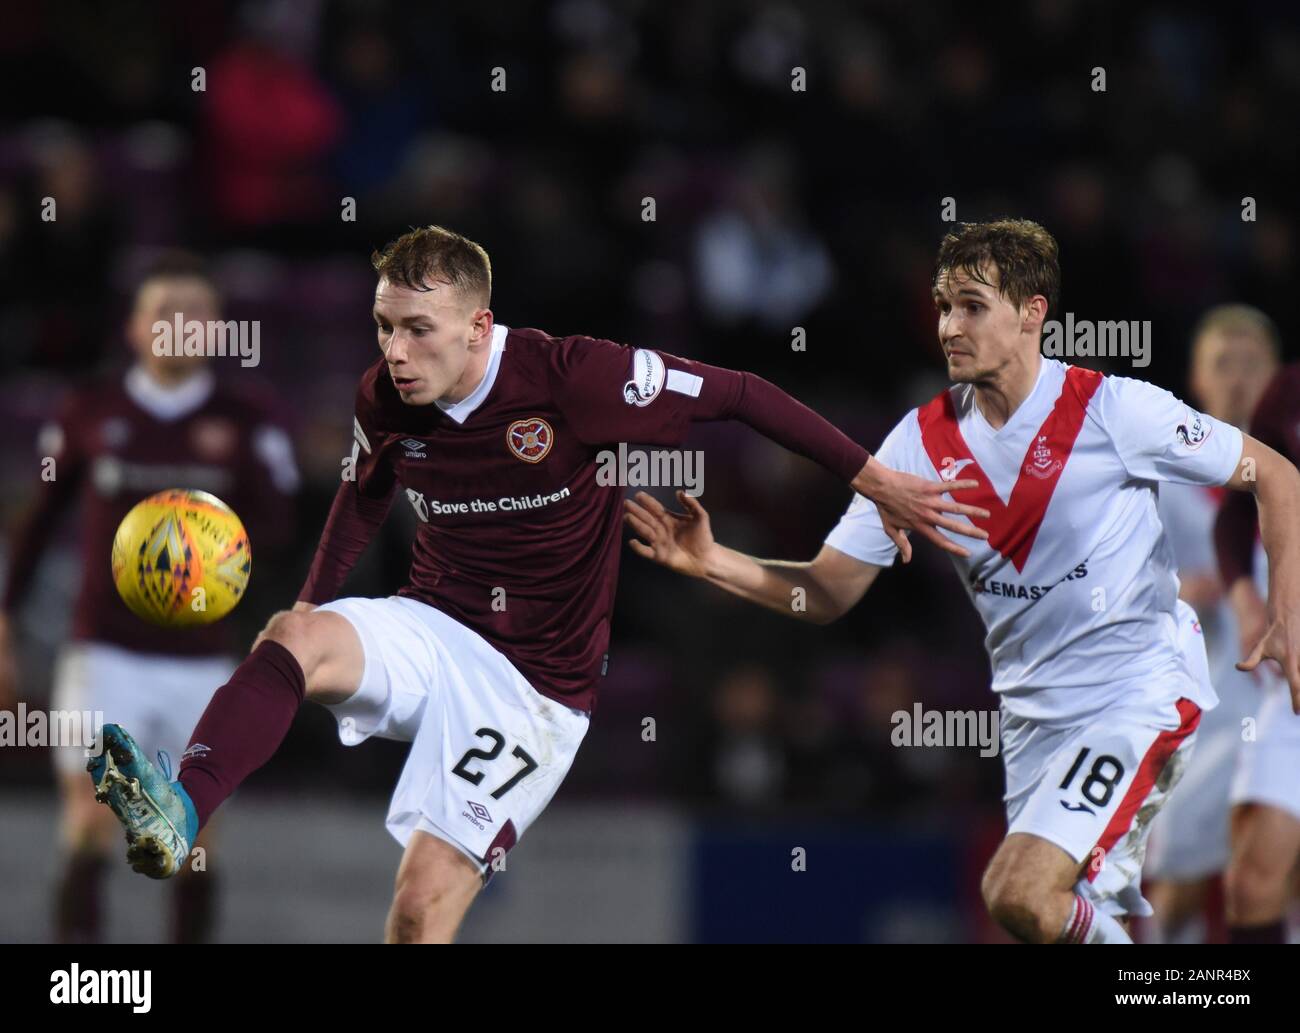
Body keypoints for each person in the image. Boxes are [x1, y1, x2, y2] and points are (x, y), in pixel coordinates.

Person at [89, 225, 986, 943]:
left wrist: (872, 475)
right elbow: (363, 497)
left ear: (478, 328)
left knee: (419, 910)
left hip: (533, 692)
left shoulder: (573, 378)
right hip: (431, 625)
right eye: (382, 326)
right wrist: (313, 599)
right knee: (295, 638)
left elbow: (742, 392)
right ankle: (181, 806)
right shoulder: (385, 398)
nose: (395, 352)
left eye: (416, 330)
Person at [624, 219, 1300, 944]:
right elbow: (828, 590)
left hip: (1139, 692)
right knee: (1040, 917)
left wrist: (1287, 609)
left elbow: (1277, 473)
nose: (949, 325)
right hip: (1032, 723)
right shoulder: (916, 442)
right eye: (944, 306)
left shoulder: (1114, 410)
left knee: (1016, 890)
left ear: (1032, 312)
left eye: (972, 305)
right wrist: (714, 560)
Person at [0, 253, 299, 942]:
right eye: (165, 312)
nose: (180, 326)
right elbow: (38, 521)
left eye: (195, 313)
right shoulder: (90, 410)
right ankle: (84, 976)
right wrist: (6, 619)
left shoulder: (248, 420)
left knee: (192, 833)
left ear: (217, 330)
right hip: (104, 651)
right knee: (89, 814)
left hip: (201, 659)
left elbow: (282, 532)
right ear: (135, 328)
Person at [1214, 358, 1300, 943]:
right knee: (1249, 885)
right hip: (1293, 688)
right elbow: (1236, 509)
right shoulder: (1290, 392)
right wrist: (1245, 596)